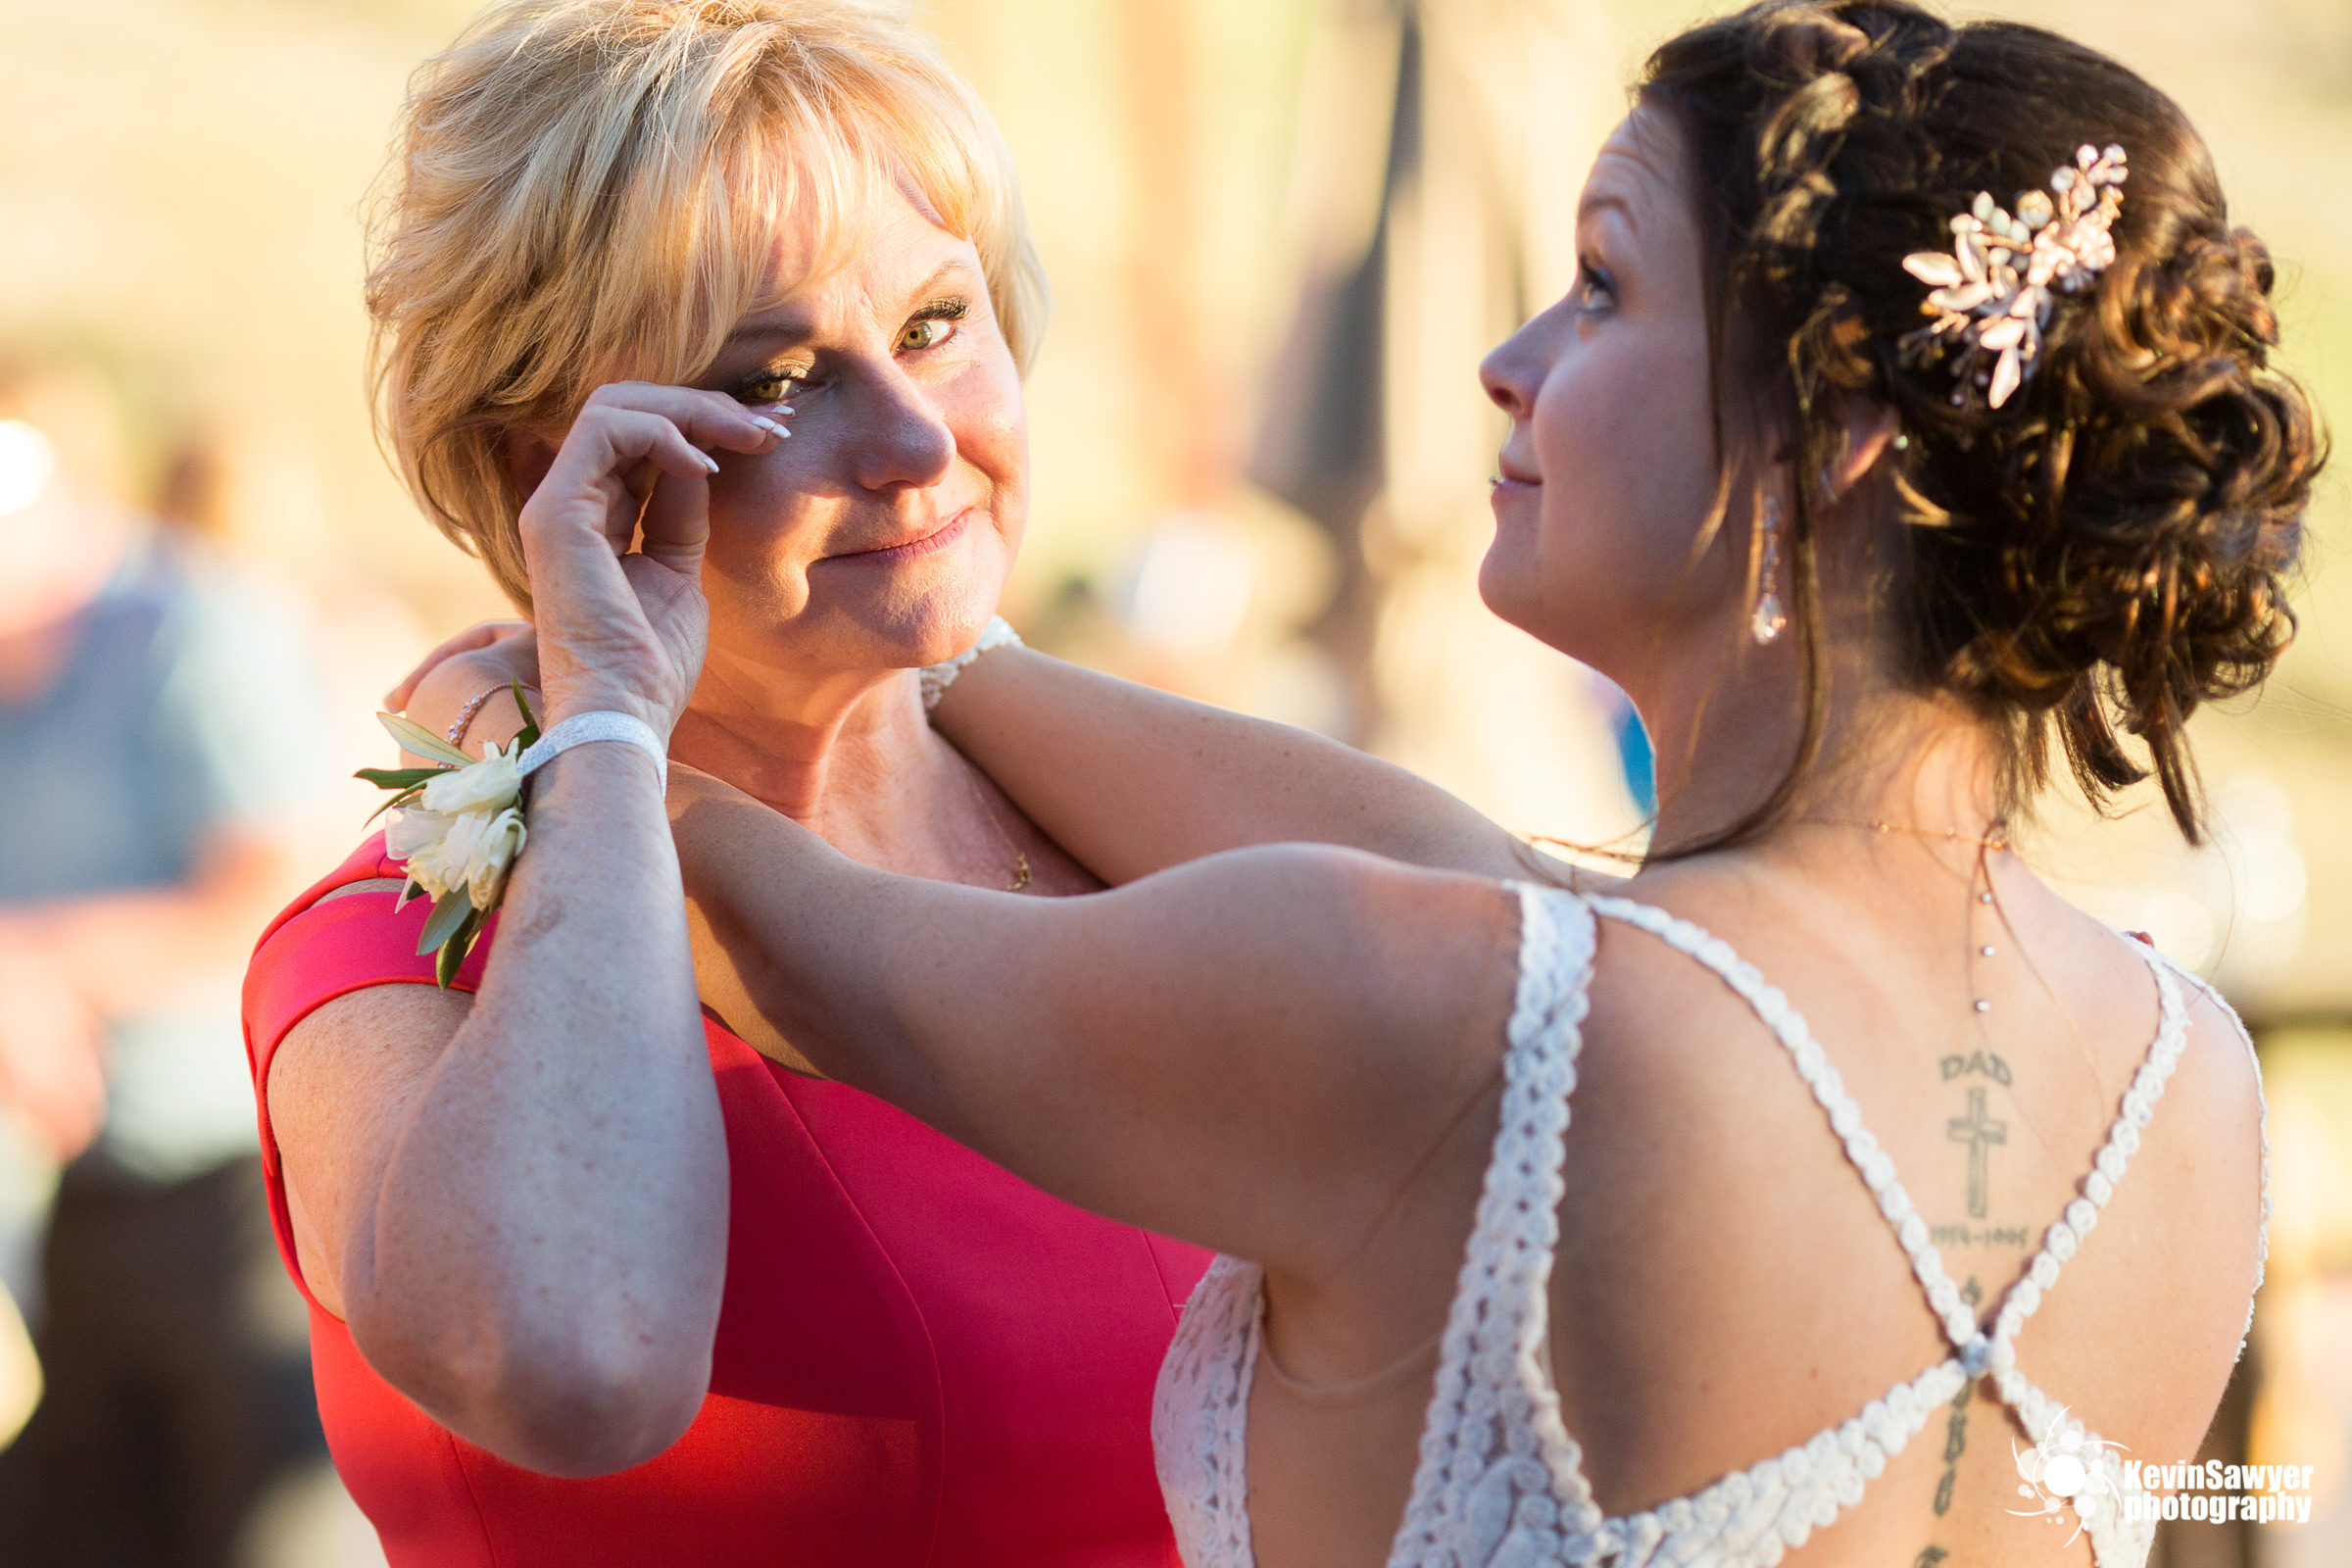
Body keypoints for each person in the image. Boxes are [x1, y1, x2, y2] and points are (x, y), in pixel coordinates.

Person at [463, 1, 2316, 1563]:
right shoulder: (2192, 1077)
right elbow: (1473, 866)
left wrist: (556, 713)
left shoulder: (1450, 1016)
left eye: (1598, 290)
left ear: (1824, 438)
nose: (1508, 367)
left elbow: (785, 922)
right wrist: (939, 586)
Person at [239, 4, 1207, 1565]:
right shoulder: (386, 965)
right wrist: (606, 721)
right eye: (775, 383)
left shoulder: (1114, 815)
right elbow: (569, 1354)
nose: (911, 441)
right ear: (541, 462)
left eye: (940, 323)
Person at [0, 357, 338, 1567]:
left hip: (239, 1205)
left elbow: (275, 897)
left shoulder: (196, 629)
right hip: (62, 1210)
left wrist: (38, 963)